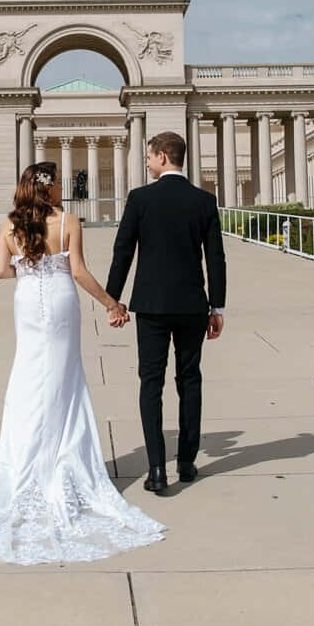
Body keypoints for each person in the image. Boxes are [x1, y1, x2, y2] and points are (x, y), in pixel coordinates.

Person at [0, 162, 165, 564]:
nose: (60, 189)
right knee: (63, 380)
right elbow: (79, 271)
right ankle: (62, 460)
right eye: (57, 184)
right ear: (50, 188)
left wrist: (28, 267)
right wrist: (112, 303)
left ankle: (24, 461)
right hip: (60, 302)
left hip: (27, 302)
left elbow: (1, 271)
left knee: (27, 379)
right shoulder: (68, 220)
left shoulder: (10, 225)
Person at [106, 131, 227, 495]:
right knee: (190, 380)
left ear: (161, 156)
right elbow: (216, 258)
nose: (146, 161)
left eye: (148, 155)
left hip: (152, 306)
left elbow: (123, 251)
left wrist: (114, 299)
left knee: (151, 382)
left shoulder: (141, 199)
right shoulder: (204, 200)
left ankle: (157, 468)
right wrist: (216, 305)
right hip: (192, 304)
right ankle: (187, 461)